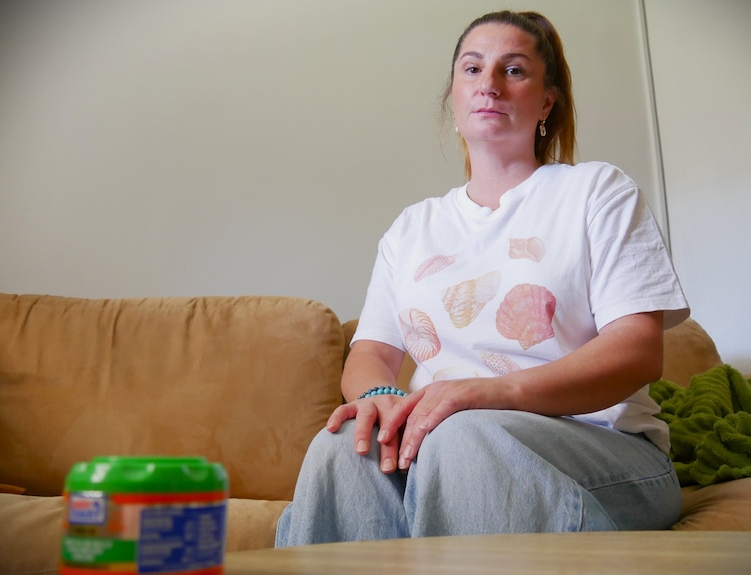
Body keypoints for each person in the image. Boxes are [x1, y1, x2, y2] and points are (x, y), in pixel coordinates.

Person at [276, 10, 689, 546]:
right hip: (442, 437)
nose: (489, 85)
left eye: (513, 70)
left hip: (600, 447)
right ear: (453, 98)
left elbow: (636, 352)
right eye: (472, 69)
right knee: (342, 448)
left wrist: (488, 394)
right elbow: (372, 352)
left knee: (462, 435)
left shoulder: (596, 192)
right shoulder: (412, 228)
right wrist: (379, 394)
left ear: (546, 102)